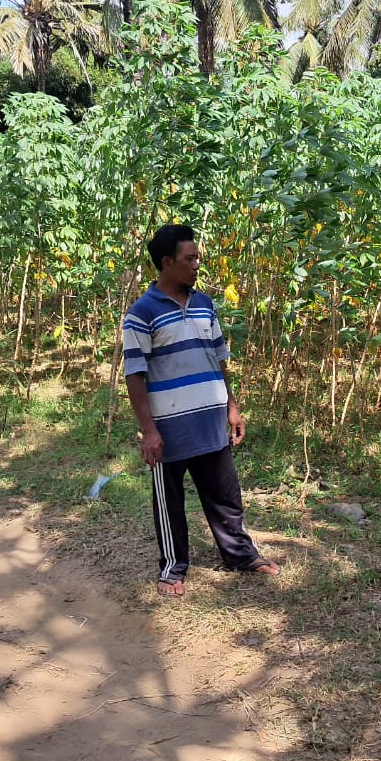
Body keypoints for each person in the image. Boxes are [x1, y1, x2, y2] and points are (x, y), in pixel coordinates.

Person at [123, 223, 280, 597]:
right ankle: (172, 568)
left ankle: (240, 556)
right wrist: (149, 430)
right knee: (170, 501)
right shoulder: (142, 313)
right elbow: (135, 375)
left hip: (210, 420)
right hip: (169, 427)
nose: (196, 265)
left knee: (225, 494)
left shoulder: (205, 304)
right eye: (189, 259)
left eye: (197, 258)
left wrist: (232, 407)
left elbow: (218, 359)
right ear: (166, 262)